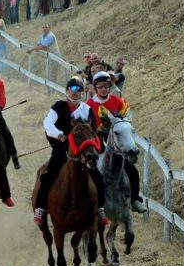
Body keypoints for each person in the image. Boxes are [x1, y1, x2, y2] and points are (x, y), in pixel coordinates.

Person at [33, 77, 108, 225]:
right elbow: (48, 123)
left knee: (98, 177)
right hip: (62, 148)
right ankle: (41, 207)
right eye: (72, 90)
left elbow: (92, 130)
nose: (76, 93)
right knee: (49, 174)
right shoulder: (59, 106)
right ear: (67, 91)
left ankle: (100, 208)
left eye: (79, 90)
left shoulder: (86, 110)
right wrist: (59, 135)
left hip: (83, 152)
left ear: (82, 94)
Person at [86, 71, 146, 213]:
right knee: (88, 168)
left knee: (131, 170)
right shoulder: (89, 105)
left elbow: (127, 117)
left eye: (106, 86)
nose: (103, 89)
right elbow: (86, 125)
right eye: (100, 87)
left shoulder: (118, 101)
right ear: (95, 88)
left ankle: (134, 199)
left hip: (117, 142)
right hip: (97, 141)